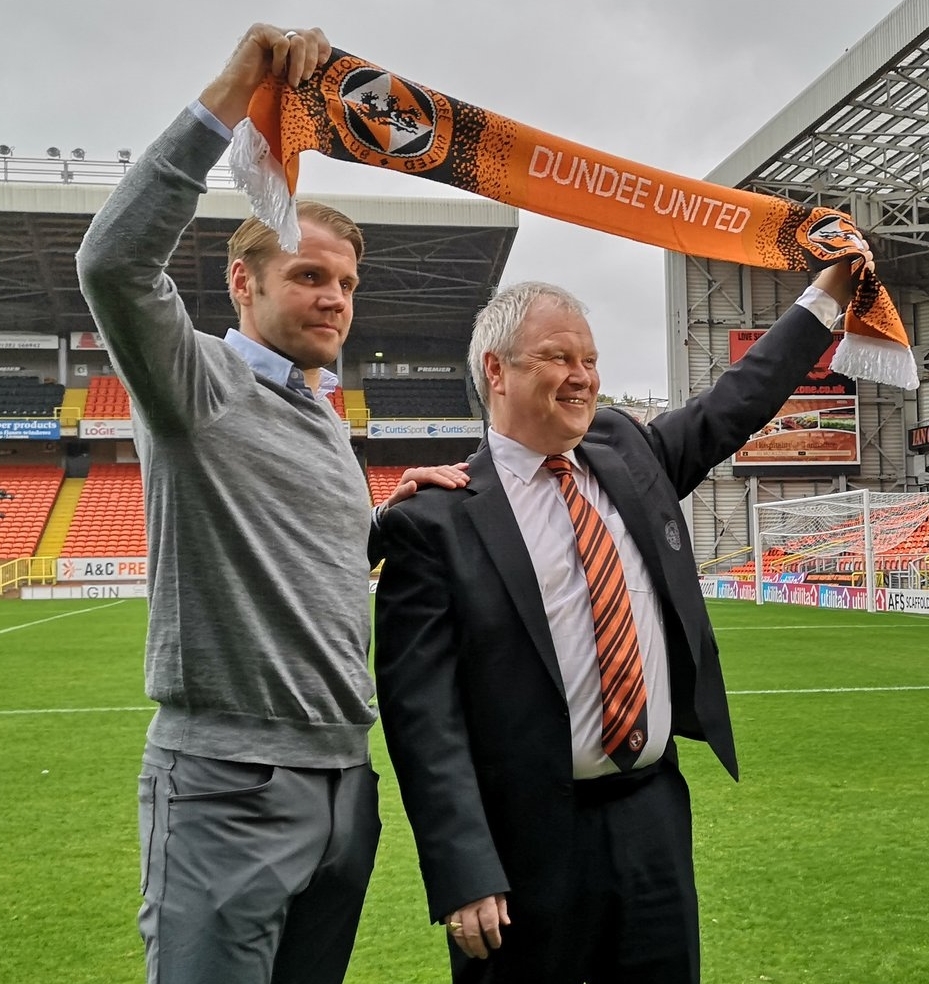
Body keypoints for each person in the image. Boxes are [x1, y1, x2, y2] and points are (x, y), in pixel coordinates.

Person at [76, 24, 467, 984]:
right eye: (308, 275)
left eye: (346, 282)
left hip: (345, 783)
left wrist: (386, 521)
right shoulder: (197, 382)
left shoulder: (327, 419)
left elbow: (309, 568)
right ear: (241, 282)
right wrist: (232, 88)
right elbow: (113, 266)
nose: (335, 298)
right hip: (227, 786)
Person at [373, 256, 865, 982]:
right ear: (497, 371)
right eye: (556, 357)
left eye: (591, 359)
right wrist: (461, 868)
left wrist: (826, 300)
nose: (582, 376)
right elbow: (423, 717)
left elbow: (738, 399)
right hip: (522, 843)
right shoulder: (436, 521)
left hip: (650, 816)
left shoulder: (629, 454)